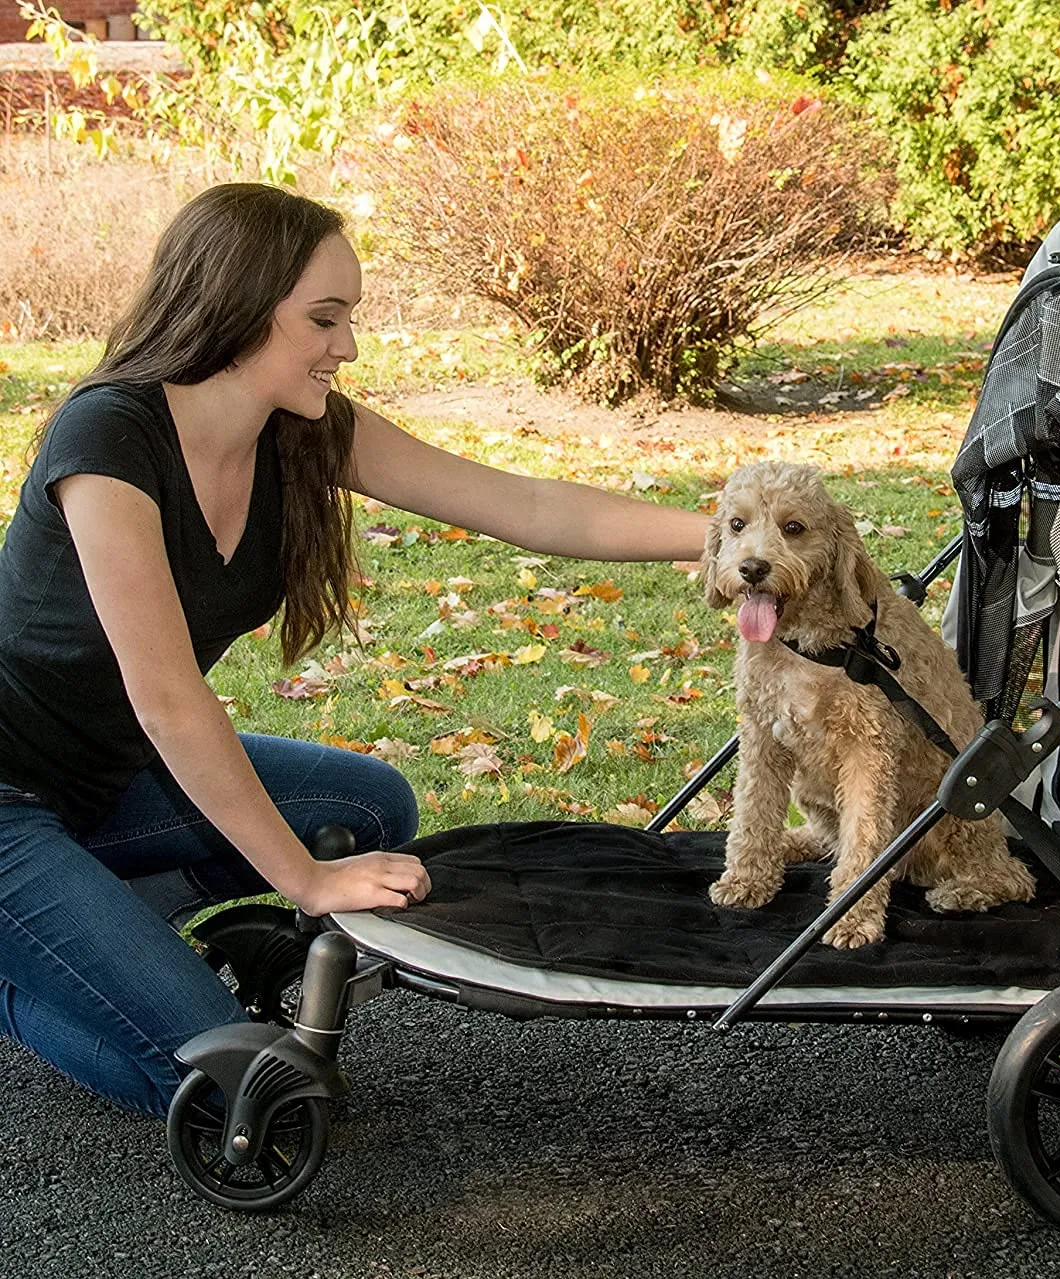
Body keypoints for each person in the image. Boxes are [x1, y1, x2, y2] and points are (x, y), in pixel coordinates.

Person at [0, 183, 710, 1118]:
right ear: (238, 304)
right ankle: (33, 962)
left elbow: (530, 507)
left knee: (368, 808)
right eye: (325, 319)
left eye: (350, 318)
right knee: (247, 1090)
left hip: (105, 788)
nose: (350, 346)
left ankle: (78, 918)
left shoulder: (299, 431)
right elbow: (169, 700)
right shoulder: (108, 438)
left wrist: (736, 536)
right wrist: (302, 877)